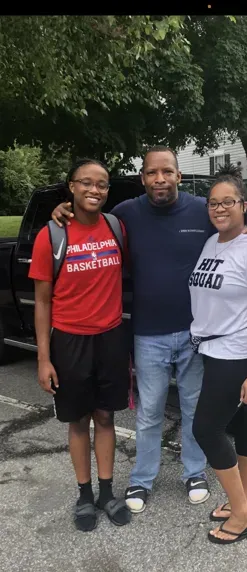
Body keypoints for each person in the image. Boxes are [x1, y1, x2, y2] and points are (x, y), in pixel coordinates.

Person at [51, 147, 247, 515]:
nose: (160, 179)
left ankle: (194, 473)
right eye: (152, 173)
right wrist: (60, 210)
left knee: (193, 409)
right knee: (150, 411)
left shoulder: (201, 211)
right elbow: (86, 221)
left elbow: (239, 223)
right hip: (148, 333)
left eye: (167, 172)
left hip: (194, 336)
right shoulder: (123, 215)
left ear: (178, 176)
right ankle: (142, 477)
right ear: (142, 178)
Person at [29, 158, 131, 532]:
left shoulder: (116, 227)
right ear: (70, 186)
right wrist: (43, 358)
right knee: (77, 421)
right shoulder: (52, 235)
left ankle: (107, 492)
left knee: (106, 416)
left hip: (110, 337)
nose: (94, 190)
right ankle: (84, 495)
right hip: (69, 340)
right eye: (86, 183)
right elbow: (42, 300)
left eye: (101, 184)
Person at [189, 165, 247, 545]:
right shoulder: (213, 242)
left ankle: (243, 515)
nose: (219, 208)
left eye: (228, 201)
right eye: (214, 202)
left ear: (244, 205)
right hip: (214, 349)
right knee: (242, 424)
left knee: (205, 429)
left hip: (237, 354)